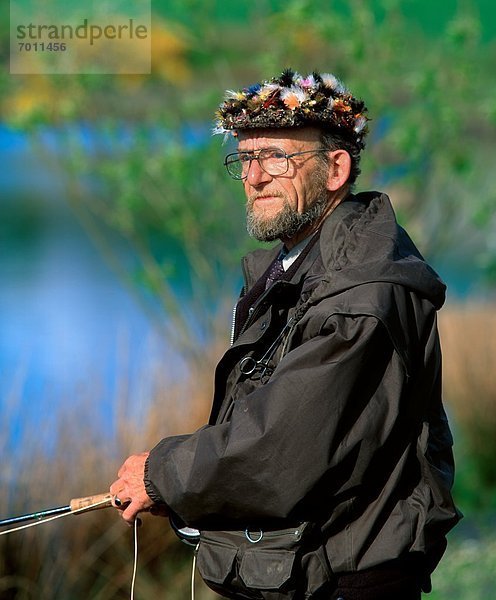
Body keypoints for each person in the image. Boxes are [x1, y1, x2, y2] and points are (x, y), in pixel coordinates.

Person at [110, 69, 461, 599]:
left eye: (278, 157)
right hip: (308, 567)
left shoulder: (362, 292)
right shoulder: (294, 266)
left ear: (336, 168)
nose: (254, 178)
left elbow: (283, 447)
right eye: (246, 158)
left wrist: (160, 472)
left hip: (346, 577)